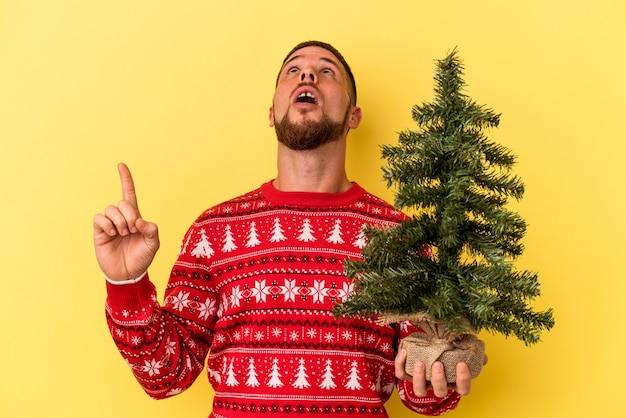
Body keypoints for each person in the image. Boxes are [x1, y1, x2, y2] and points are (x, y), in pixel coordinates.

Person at [94, 40, 481, 417]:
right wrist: (127, 285)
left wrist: (438, 379)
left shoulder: (400, 237)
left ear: (353, 115)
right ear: (271, 110)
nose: (307, 73)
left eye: (326, 71)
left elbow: (423, 393)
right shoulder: (214, 232)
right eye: (292, 70)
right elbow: (165, 377)